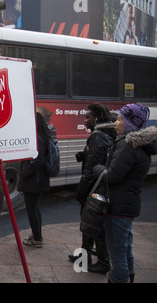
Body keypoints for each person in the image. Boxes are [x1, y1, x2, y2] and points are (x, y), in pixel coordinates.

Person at [93, 103, 157, 283]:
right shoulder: (141, 145)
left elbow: (112, 176)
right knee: (125, 247)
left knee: (117, 253)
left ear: (130, 123)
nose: (116, 123)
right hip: (128, 205)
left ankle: (119, 278)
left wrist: (98, 168)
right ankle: (129, 276)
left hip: (118, 207)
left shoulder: (128, 146)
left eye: (120, 119)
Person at [69, 103, 116, 274]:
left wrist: (82, 190)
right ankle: (85, 255)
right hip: (98, 185)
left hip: (94, 186)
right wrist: (84, 154)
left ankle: (103, 262)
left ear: (96, 118)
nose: (85, 120)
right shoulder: (103, 134)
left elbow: (91, 167)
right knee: (89, 221)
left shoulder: (98, 136)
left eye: (87, 117)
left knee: (93, 223)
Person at [18, 112, 51, 248]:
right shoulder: (43, 136)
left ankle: (37, 239)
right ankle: (37, 234)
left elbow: (39, 160)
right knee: (36, 208)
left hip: (33, 181)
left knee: (32, 210)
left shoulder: (37, 138)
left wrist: (25, 172)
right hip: (39, 180)